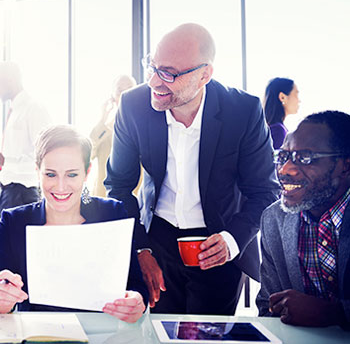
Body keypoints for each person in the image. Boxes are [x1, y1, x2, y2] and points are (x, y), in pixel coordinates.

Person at [105, 23, 279, 315]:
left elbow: (264, 191)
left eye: (170, 74)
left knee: (207, 335)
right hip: (156, 241)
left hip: (218, 242)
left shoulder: (243, 111)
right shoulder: (133, 105)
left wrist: (231, 240)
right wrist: (140, 248)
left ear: (204, 75)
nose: (155, 82)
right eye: (153, 67)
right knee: (160, 331)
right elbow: (119, 186)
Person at [0, 124, 148, 323]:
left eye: (72, 174)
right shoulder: (13, 222)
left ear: (87, 172)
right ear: (37, 171)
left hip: (102, 334)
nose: (61, 186)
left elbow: (136, 284)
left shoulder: (112, 214)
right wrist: (3, 301)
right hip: (37, 333)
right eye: (50, 174)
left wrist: (137, 301)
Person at [256, 110, 350, 327]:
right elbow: (267, 307)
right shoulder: (274, 219)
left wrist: (334, 313)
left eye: (305, 158)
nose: (286, 169)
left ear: (345, 165)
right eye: (283, 157)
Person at [0, 61, 52, 211]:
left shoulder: (33, 108)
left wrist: (8, 161)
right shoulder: (14, 110)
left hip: (23, 192)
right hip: (9, 191)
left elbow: (45, 154)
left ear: (10, 79)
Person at [90, 75, 136, 197]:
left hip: (136, 196)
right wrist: (102, 118)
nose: (124, 94)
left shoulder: (143, 125)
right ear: (112, 96)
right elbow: (88, 153)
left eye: (129, 89)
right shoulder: (105, 129)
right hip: (104, 197)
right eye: (120, 90)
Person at [263, 77, 300, 149]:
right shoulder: (278, 131)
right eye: (296, 94)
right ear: (282, 97)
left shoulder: (274, 128)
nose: (299, 100)